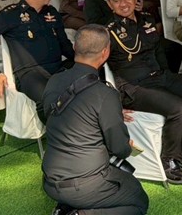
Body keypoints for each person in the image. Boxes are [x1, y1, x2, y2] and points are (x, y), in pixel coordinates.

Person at [105, 0, 182, 185]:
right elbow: (97, 69)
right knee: (179, 108)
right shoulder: (108, 32)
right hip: (133, 87)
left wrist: (170, 78)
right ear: (109, 4)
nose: (123, 3)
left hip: (160, 77)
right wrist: (113, 103)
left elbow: (159, 52)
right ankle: (169, 159)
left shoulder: (147, 20)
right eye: (116, 0)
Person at [42, 25, 149, 215]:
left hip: (50, 179)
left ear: (75, 47)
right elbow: (120, 149)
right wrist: (126, 143)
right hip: (85, 183)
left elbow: (50, 116)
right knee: (138, 201)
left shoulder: (54, 80)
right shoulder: (105, 94)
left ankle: (65, 206)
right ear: (105, 52)